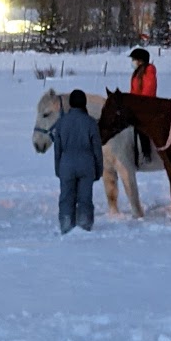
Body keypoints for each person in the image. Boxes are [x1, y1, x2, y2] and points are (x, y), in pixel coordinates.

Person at [51, 88, 103, 235]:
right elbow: (97, 150)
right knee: (85, 198)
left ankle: (66, 224)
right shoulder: (91, 123)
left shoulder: (61, 123)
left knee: (66, 197)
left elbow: (57, 149)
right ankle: (84, 224)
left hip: (66, 165)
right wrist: (98, 170)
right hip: (87, 165)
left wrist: (58, 169)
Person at [129, 47, 157, 161]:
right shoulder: (137, 73)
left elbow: (148, 91)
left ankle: (147, 153)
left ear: (141, 61)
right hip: (138, 105)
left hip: (147, 106)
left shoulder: (149, 71)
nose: (133, 62)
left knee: (141, 126)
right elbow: (134, 90)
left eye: (134, 60)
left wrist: (140, 105)